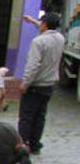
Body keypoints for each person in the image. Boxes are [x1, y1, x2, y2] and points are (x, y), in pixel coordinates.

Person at [18, 12, 65, 155]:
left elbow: (33, 65)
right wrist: (32, 21)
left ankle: (23, 142)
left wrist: (25, 83)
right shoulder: (60, 38)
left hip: (35, 84)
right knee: (40, 115)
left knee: (27, 116)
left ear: (44, 24)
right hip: (49, 84)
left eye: (41, 22)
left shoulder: (38, 42)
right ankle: (35, 143)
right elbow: (48, 28)